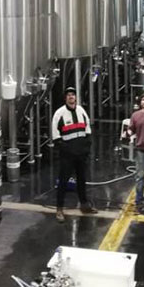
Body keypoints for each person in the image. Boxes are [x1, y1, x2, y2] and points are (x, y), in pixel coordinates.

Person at [51, 86, 98, 222]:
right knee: (63, 181)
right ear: (65, 98)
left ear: (76, 97)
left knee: (82, 179)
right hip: (67, 155)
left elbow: (88, 130)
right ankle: (59, 209)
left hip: (81, 154)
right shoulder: (59, 114)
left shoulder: (81, 111)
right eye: (69, 95)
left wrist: (86, 148)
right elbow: (56, 136)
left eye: (73, 94)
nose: (71, 97)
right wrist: (67, 150)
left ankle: (84, 205)